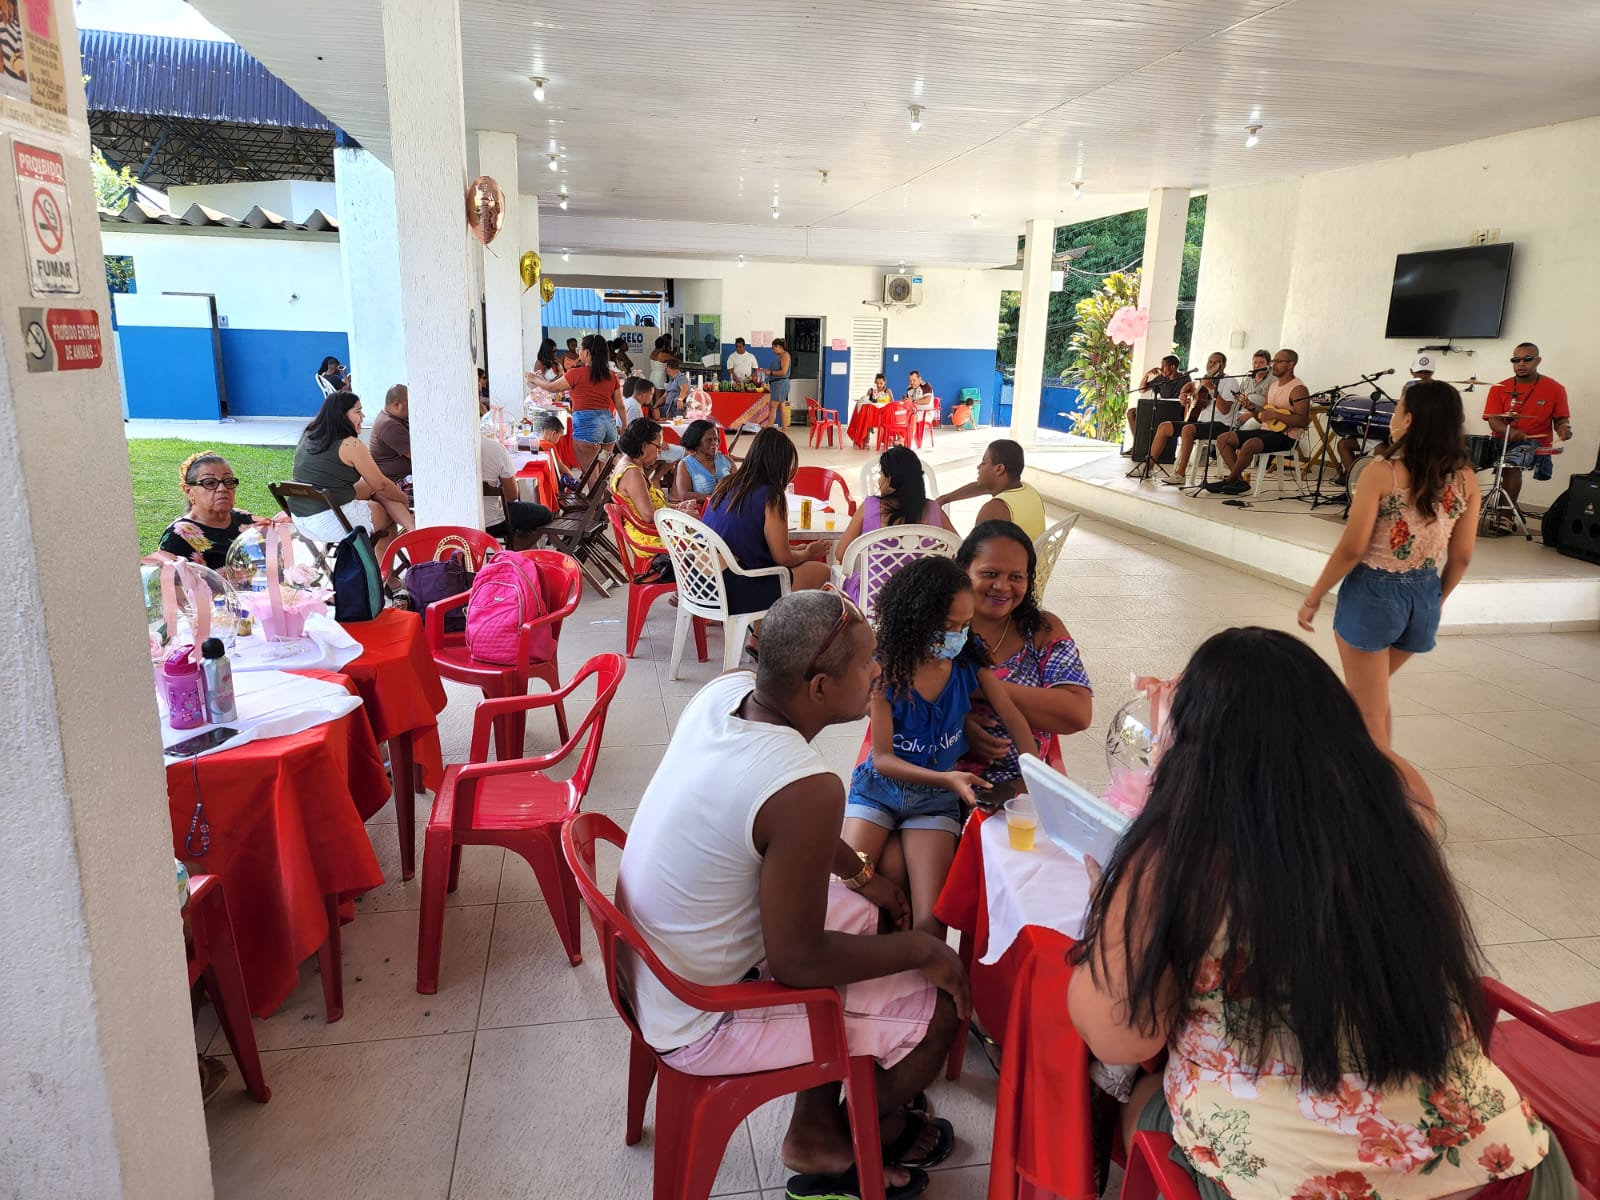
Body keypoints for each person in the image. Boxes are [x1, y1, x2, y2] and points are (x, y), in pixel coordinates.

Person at [1067, 626, 1576, 1200]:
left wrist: (1104, 920)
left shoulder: (1171, 856)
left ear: (1190, 752)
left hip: (1296, 1184)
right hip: (1506, 1169)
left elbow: (1120, 1040)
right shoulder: (1402, 800)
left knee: (1142, 1100)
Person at [617, 590, 968, 1197]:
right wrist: (927, 951)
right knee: (938, 1012)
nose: (879, 671)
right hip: (699, 1015)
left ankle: (826, 1116)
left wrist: (863, 877)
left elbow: (779, 818)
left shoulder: (726, 695)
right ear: (820, 689)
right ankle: (830, 1133)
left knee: (862, 913)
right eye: (866, 664)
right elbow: (798, 962)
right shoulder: (809, 786)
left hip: (651, 970)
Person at [845, 557, 1035, 934]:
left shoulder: (967, 661)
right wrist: (948, 780)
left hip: (934, 804)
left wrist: (1034, 773)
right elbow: (881, 759)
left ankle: (922, 990)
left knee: (932, 921)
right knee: (848, 897)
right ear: (913, 621)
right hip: (878, 792)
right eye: (946, 627)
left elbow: (1012, 715)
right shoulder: (885, 670)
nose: (956, 636)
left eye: (964, 626)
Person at [1299, 382, 1481, 747]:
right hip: (1425, 596)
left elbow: (1353, 547)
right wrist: (1436, 599)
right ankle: (1375, 782)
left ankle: (1381, 792)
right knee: (1374, 701)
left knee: (1364, 712)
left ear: (1409, 419)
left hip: (1374, 595)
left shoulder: (1382, 472)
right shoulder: (1466, 479)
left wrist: (1314, 596)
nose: (1393, 417)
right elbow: (1461, 556)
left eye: (1397, 410)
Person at [954, 520, 1092, 793]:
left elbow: (1077, 714)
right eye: (990, 573)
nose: (1002, 586)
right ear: (963, 570)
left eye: (1016, 577)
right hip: (938, 784)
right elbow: (894, 694)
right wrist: (956, 724)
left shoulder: (1041, 629)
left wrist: (981, 688)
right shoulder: (941, 627)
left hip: (1019, 789)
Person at [701, 427, 832, 621]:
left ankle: (757, 638)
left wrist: (799, 550)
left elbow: (749, 541)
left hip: (701, 582)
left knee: (771, 570)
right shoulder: (772, 497)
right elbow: (783, 559)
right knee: (824, 572)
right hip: (734, 589)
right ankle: (792, 637)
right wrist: (808, 553)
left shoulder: (726, 483)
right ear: (781, 464)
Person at [284, 390, 413, 556]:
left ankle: (411, 529)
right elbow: (381, 484)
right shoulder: (350, 444)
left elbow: (376, 484)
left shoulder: (310, 434)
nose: (363, 416)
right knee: (386, 509)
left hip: (302, 519)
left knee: (375, 487)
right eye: (358, 411)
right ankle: (384, 571)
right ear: (341, 415)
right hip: (328, 520)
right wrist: (402, 498)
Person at [836, 446, 957, 600]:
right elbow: (960, 553)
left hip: (874, 601)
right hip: (924, 604)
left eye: (881, 474)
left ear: (889, 479)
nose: (879, 478)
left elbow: (841, 553)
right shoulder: (934, 510)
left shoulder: (870, 507)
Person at [1483, 341, 1572, 512]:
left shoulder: (1555, 389)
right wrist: (1511, 432)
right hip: (1499, 440)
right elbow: (1493, 420)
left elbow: (1561, 419)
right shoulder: (1499, 388)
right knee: (1464, 459)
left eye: (1527, 359)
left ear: (1538, 361)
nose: (1521, 364)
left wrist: (1564, 428)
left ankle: (1506, 517)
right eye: (1516, 360)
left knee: (1511, 464)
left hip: (1533, 443)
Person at [1207, 348, 1310, 494]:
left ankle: (1230, 480)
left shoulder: (1298, 388)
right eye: (1273, 361)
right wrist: (1252, 409)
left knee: (1250, 444)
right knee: (1224, 439)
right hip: (1266, 431)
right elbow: (1261, 418)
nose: (1274, 364)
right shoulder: (1273, 386)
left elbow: (1302, 420)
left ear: (1291, 364)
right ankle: (1239, 481)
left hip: (1286, 437)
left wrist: (1276, 415)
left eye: (1278, 361)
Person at [1337, 354, 1433, 485]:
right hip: (1388, 435)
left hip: (1406, 442)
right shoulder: (1408, 387)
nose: (1423, 375)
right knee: (1344, 444)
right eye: (1419, 371)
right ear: (1412, 371)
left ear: (1432, 373)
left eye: (1426, 372)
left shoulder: (1435, 393)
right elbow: (1399, 416)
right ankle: (1352, 483)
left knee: (1383, 452)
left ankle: (1370, 485)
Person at [538, 334, 627, 471]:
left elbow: (552, 388)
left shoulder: (575, 374)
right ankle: (606, 493)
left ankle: (598, 494)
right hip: (608, 427)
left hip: (587, 426)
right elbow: (620, 405)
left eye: (580, 348)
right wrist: (625, 425)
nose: (578, 351)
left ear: (586, 352)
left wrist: (534, 379)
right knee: (604, 473)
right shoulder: (611, 376)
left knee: (591, 475)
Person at [159, 452, 259, 569]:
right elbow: (172, 584)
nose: (222, 489)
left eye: (228, 481)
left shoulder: (245, 519)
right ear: (188, 491)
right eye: (210, 483)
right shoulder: (178, 536)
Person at [609, 418, 695, 553]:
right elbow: (649, 517)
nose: (660, 452)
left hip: (650, 531)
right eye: (658, 447)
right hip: (650, 537)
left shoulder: (629, 463)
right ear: (644, 446)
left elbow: (647, 505)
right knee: (707, 540)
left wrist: (676, 507)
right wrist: (680, 514)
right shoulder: (632, 473)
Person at [935, 439, 1046, 540]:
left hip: (1012, 562)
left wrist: (941, 519)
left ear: (999, 469)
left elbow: (970, 557)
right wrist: (944, 499)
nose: (978, 467)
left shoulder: (995, 508)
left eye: (984, 463)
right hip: (1034, 559)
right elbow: (980, 487)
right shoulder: (1029, 491)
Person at [1155, 352, 1238, 484]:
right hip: (1201, 423)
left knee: (1188, 429)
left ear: (1223, 366)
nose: (1211, 365)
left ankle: (1180, 474)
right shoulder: (1203, 380)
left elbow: (1225, 409)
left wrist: (1211, 388)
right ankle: (1147, 468)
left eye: (1215, 363)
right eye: (1210, 362)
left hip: (1221, 425)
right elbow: (1190, 386)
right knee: (1164, 426)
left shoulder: (1230, 382)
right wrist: (1184, 395)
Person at [478, 420, 553, 550]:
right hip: (492, 521)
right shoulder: (494, 448)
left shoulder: (439, 449)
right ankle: (509, 554)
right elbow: (512, 495)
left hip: (449, 522)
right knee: (544, 515)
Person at [1125, 355, 1187, 450]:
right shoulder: (1161, 379)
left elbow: (1188, 395)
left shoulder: (1184, 378)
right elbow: (1142, 390)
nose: (1161, 369)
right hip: (1160, 408)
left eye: (1163, 366)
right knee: (1131, 412)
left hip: (1176, 411)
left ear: (1172, 367)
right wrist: (1147, 374)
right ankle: (1138, 444)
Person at [671, 419, 734, 502]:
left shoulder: (726, 460)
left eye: (716, 439)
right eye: (709, 440)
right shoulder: (686, 464)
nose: (714, 444)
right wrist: (715, 499)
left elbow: (739, 485)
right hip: (701, 511)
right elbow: (685, 495)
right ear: (696, 442)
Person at [368, 383, 412, 485]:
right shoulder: (390, 425)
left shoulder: (389, 418)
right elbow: (419, 457)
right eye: (410, 404)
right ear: (397, 405)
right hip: (396, 482)